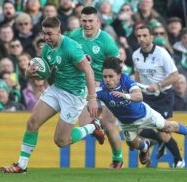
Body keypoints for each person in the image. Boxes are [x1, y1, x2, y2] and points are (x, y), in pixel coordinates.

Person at [0, 16, 103, 173]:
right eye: (44, 34)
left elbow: (89, 71)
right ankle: (22, 165)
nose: (46, 38)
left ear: (59, 32)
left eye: (49, 34)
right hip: (57, 89)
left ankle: (92, 126)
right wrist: (29, 73)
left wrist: (92, 99)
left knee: (61, 141)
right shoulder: (47, 48)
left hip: (74, 95)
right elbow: (44, 74)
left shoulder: (70, 48)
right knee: (32, 123)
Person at [97, 57, 187, 166]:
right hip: (126, 122)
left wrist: (126, 96)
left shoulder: (126, 80)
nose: (107, 80)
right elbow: (90, 97)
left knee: (166, 127)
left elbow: (139, 96)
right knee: (132, 144)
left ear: (119, 75)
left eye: (111, 76)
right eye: (105, 77)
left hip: (144, 115)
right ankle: (145, 147)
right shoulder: (102, 89)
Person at [69, 6, 124, 168]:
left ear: (98, 22)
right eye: (84, 21)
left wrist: (108, 83)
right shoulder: (74, 37)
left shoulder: (106, 40)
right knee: (84, 125)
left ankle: (117, 159)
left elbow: (117, 67)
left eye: (90, 21)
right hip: (86, 86)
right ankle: (95, 127)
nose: (87, 24)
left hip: (108, 86)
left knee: (109, 124)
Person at [132, 25, 184, 168]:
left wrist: (159, 85)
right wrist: (135, 90)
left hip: (163, 96)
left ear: (151, 37)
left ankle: (179, 160)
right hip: (146, 96)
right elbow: (138, 75)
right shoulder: (135, 54)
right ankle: (157, 140)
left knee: (164, 130)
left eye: (144, 35)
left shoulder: (162, 53)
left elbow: (175, 76)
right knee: (135, 127)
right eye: (138, 36)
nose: (141, 39)